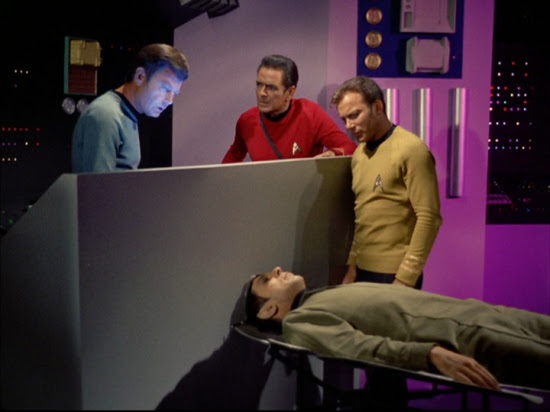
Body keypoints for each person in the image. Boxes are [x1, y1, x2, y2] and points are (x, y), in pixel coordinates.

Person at [243, 266, 550, 391]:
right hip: (467, 338)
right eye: (268, 279)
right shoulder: (298, 321)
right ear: (268, 309)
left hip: (480, 314)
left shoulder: (318, 297)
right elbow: (362, 349)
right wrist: (430, 354)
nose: (278, 270)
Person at [331, 76, 442, 288]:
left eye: (354, 115)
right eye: (344, 119)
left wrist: (406, 277)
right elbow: (362, 217)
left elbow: (429, 217)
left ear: (377, 107)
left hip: (396, 274)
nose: (349, 125)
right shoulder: (359, 155)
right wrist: (352, 267)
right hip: (362, 271)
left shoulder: (411, 149)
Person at [72, 43, 189, 172]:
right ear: (140, 76)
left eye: (174, 94)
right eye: (165, 88)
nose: (170, 101)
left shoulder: (126, 114)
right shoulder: (105, 115)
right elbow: (97, 183)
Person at [221, 55, 357, 163]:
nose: (262, 93)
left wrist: (333, 154)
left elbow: (350, 148)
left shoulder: (311, 113)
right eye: (259, 85)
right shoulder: (246, 121)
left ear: (290, 92)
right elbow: (233, 157)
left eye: (271, 87)